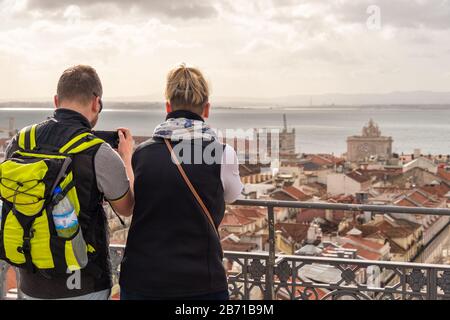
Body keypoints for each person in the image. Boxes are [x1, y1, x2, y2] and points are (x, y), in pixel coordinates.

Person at [4, 65, 135, 300]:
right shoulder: (98, 152)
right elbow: (127, 208)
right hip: (84, 285)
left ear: (56, 100)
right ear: (97, 103)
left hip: (30, 282)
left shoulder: (20, 142)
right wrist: (126, 157)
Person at [120, 63, 243, 300]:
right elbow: (232, 195)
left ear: (168, 107)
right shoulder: (222, 153)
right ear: (206, 109)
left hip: (142, 279)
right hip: (200, 281)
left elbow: (130, 204)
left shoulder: (142, 154)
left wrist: (126, 156)